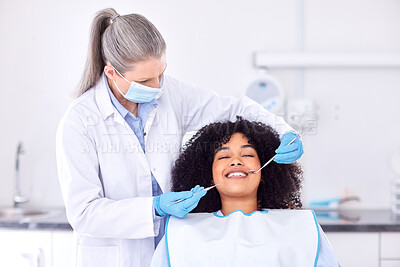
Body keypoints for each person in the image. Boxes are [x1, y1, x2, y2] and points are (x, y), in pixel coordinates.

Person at [55, 8, 304, 267]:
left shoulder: (170, 92)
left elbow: (234, 109)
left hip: (174, 248)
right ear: (111, 73)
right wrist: (155, 207)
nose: (157, 86)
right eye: (144, 80)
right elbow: (83, 213)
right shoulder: (79, 122)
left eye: (161, 73)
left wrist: (285, 131)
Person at [151, 117, 339, 267]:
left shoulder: (302, 228)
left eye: (248, 155)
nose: (236, 161)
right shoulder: (180, 233)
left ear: (265, 172)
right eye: (224, 156)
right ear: (208, 176)